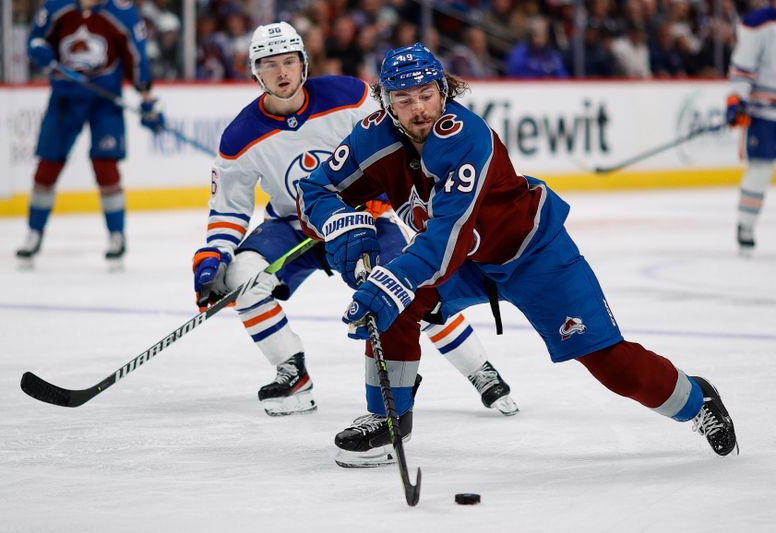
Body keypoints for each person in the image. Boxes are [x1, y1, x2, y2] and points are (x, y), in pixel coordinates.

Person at [296, 43, 738, 467]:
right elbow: (315, 188)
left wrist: (394, 280)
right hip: (464, 261)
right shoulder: (372, 137)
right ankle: (388, 417)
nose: (419, 110)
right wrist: (341, 225)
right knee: (395, 308)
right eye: (405, 99)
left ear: (443, 91)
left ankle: (696, 401)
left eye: (427, 95)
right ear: (386, 102)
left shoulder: (466, 136)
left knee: (612, 365)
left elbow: (448, 235)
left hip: (533, 255)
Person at [191, 23, 518, 430]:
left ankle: (480, 371)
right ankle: (293, 375)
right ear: (255, 71)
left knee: (410, 287)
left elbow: (396, 139)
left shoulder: (348, 96)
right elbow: (228, 208)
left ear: (303, 63)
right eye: (270, 64)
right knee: (242, 275)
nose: (282, 72)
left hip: (362, 220)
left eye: (289, 61)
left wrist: (384, 186)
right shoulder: (240, 135)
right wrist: (215, 253)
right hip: (294, 228)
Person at [17, 0, 165, 264]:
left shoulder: (122, 12)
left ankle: (116, 236)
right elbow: (36, 40)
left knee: (105, 166)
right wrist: (38, 50)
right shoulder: (57, 6)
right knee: (48, 166)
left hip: (103, 101)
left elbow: (137, 57)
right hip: (64, 98)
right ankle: (33, 233)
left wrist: (147, 99)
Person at [726, 1, 776, 253]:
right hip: (764, 111)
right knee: (760, 169)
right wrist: (737, 100)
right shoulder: (758, 23)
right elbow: (742, 68)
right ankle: (745, 225)